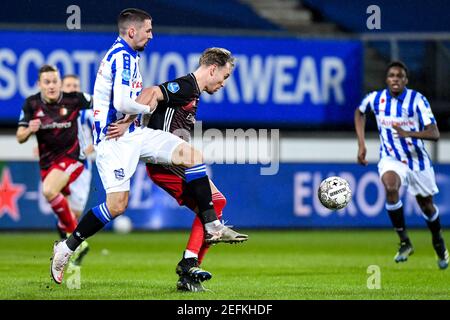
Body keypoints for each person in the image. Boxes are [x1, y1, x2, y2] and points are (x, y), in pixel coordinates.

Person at [50, 8, 244, 285]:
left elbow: (132, 100)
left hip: (135, 134)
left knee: (193, 156)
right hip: (112, 139)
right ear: (132, 31)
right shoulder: (122, 57)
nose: (152, 35)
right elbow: (123, 102)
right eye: (148, 30)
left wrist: (133, 117)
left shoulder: (130, 56)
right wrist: (141, 108)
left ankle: (211, 225)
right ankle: (66, 247)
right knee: (117, 206)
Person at [107, 47, 248, 292]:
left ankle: (189, 270)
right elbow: (150, 92)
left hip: (170, 162)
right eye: (224, 77)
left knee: (214, 204)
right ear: (213, 69)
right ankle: (189, 264)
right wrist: (126, 123)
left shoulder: (193, 92)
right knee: (213, 204)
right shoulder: (186, 86)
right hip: (165, 162)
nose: (224, 83)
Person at [355, 61, 449, 270]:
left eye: (399, 76)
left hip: (418, 161)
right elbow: (359, 112)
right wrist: (361, 144)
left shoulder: (417, 100)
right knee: (390, 187)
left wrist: (410, 134)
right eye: (391, 75)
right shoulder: (376, 99)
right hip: (391, 158)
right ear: (387, 79)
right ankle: (405, 241)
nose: (395, 79)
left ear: (405, 80)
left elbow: (434, 133)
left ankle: (438, 241)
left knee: (426, 205)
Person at [16, 65, 92, 253]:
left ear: (60, 83)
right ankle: (75, 243)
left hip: (72, 159)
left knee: (49, 190)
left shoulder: (74, 99)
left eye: (54, 82)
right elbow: (19, 137)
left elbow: (104, 104)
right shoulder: (31, 104)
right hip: (47, 164)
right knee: (63, 204)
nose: (51, 86)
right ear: (39, 84)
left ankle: (75, 240)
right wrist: (28, 130)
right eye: (47, 82)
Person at [60, 74, 95, 265]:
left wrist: (93, 145)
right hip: (61, 165)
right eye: (68, 85)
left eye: (75, 85)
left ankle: (72, 246)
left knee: (75, 212)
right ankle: (69, 250)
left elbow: (101, 130)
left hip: (83, 167)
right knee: (61, 204)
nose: (72, 88)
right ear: (62, 87)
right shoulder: (56, 108)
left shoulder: (87, 111)